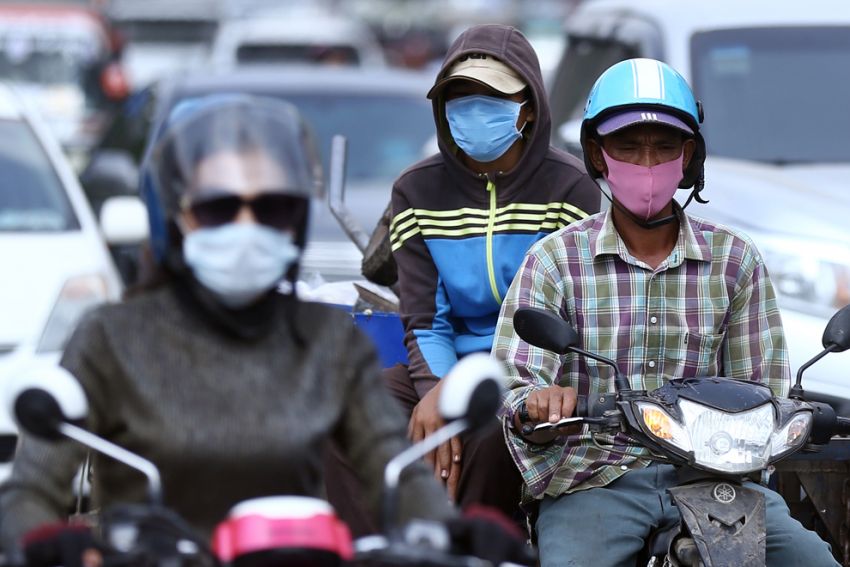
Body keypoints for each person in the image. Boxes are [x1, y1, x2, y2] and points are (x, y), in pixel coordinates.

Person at [0, 95, 529, 566]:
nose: (246, 228)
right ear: (174, 217)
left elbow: (395, 471)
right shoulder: (110, 338)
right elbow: (30, 492)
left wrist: (450, 530)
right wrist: (49, 541)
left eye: (271, 207)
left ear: (295, 221)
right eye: (219, 209)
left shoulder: (329, 341)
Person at [492, 57, 841, 566]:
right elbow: (511, 383)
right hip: (595, 479)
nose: (648, 162)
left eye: (664, 147)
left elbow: (764, 391)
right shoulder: (554, 261)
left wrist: (784, 418)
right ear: (597, 153)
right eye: (628, 146)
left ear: (689, 156)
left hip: (721, 484)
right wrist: (535, 404)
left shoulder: (736, 261)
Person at [326, 23, 600, 536]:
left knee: (492, 436)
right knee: (347, 416)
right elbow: (426, 320)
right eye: (460, 97)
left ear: (528, 106)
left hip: (536, 373)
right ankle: (375, 548)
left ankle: (474, 547)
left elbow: (577, 316)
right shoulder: (417, 191)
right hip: (444, 367)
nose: (474, 110)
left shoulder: (572, 189)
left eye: (491, 96)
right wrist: (442, 391)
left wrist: (473, 402)